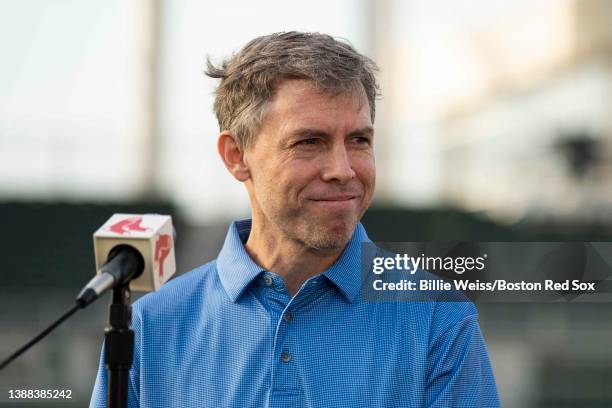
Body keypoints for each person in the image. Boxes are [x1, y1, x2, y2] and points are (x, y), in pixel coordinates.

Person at [90, 31, 500, 407]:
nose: (343, 169)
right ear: (237, 156)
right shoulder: (150, 327)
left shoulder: (438, 319)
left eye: (359, 140)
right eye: (309, 141)